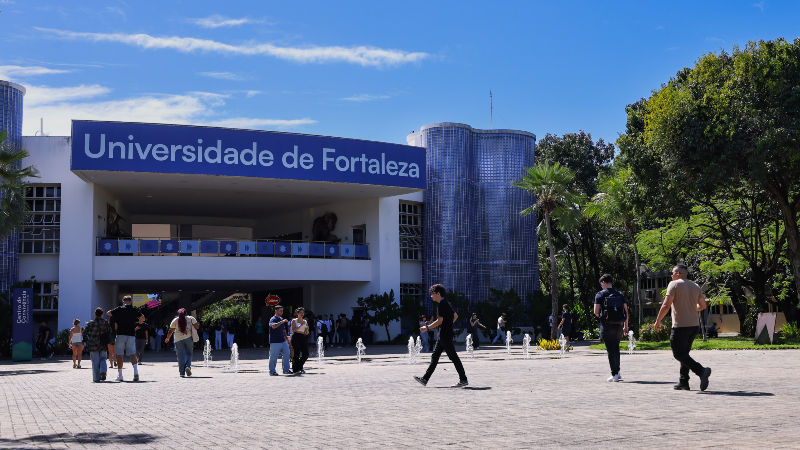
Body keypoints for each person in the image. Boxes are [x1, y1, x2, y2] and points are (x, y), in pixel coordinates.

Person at [655, 264, 712, 391]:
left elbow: (666, 305)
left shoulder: (674, 284)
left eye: (673, 273)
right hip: (694, 326)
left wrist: (658, 320)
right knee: (684, 354)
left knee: (678, 353)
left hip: (680, 326)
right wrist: (692, 308)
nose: (671, 275)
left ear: (678, 274)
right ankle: (683, 382)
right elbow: (702, 306)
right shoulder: (695, 286)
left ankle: (701, 370)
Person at [413, 284, 468, 388]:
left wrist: (427, 328)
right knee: (435, 356)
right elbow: (455, 316)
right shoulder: (446, 303)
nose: (431, 296)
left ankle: (463, 379)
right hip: (443, 334)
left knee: (453, 357)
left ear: (438, 293)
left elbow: (439, 321)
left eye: (432, 294)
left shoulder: (442, 305)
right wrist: (448, 324)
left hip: (444, 335)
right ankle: (425, 379)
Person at [594, 274, 629, 382]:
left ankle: (614, 374)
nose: (601, 286)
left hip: (607, 325)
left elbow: (596, 312)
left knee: (610, 350)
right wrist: (626, 326)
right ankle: (618, 372)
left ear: (604, 282)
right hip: (618, 325)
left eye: (601, 284)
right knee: (616, 348)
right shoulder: (619, 294)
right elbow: (626, 312)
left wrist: (602, 316)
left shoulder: (600, 294)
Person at [106, 295, 145, 382]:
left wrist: (116, 314)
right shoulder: (135, 309)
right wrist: (138, 319)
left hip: (120, 334)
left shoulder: (119, 309)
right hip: (131, 334)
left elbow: (108, 313)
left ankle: (120, 375)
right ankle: (135, 372)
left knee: (120, 355)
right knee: (132, 354)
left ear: (123, 302)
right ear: (131, 302)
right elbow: (143, 318)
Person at [164, 308, 199, 377]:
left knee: (181, 356)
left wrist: (167, 338)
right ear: (186, 313)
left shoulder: (175, 320)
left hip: (178, 340)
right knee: (189, 353)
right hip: (189, 339)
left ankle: (182, 373)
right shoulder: (191, 318)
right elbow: (197, 327)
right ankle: (188, 367)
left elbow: (171, 331)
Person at [82, 308, 109, 382]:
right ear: (102, 314)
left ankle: (96, 378)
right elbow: (109, 331)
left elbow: (84, 333)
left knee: (95, 361)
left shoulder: (90, 323)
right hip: (103, 343)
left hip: (93, 343)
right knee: (103, 358)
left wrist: (87, 340)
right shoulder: (105, 322)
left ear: (95, 314)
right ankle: (103, 371)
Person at [268, 305, 292, 375]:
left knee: (287, 353)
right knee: (273, 357)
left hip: (283, 341)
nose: (282, 312)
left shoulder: (281, 319)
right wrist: (282, 322)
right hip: (275, 341)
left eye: (282, 311)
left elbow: (283, 330)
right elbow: (273, 326)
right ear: (276, 311)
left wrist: (287, 340)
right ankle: (272, 371)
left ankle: (286, 369)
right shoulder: (273, 319)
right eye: (280, 311)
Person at [290, 307, 310, 373]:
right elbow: (293, 330)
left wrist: (307, 330)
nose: (302, 314)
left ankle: (300, 366)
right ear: (297, 313)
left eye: (303, 312)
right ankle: (295, 369)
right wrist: (300, 326)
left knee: (306, 353)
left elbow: (307, 332)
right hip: (296, 336)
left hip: (302, 336)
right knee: (296, 353)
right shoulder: (294, 321)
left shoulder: (305, 321)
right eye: (300, 312)